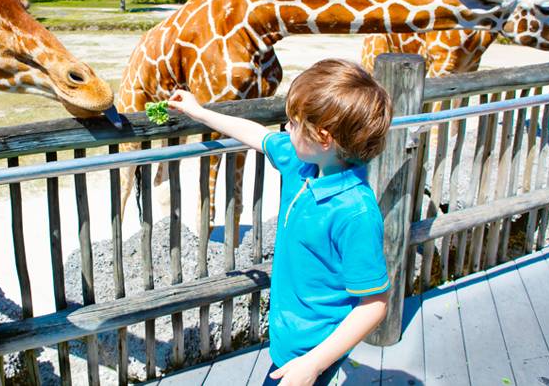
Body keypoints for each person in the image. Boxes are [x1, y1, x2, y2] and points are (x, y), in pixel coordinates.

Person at [168, 59, 392, 386]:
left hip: (314, 351)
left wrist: (313, 364)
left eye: (293, 122)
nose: (285, 129)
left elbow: (374, 304)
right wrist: (200, 112)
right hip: (288, 340)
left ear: (323, 137)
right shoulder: (304, 163)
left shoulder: (355, 212)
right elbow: (256, 135)